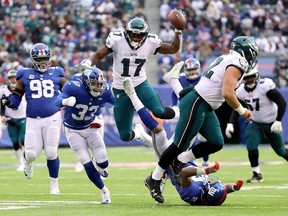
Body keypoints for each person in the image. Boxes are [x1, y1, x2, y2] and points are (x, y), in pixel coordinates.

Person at [144, 36, 259, 203]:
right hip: (198, 102)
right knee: (180, 144)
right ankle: (154, 179)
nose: (253, 56)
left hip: (206, 104)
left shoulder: (229, 58)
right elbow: (227, 92)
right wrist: (242, 111)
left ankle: (179, 162)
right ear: (246, 51)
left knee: (216, 142)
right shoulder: (237, 61)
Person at [122, 76, 243, 205]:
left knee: (158, 129)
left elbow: (184, 173)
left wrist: (206, 171)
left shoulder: (193, 193)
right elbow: (222, 190)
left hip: (170, 160)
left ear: (207, 191)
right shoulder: (209, 194)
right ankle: (173, 80)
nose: (211, 182)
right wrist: (234, 188)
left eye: (211, 185)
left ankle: (131, 94)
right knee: (193, 123)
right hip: (187, 157)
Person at [78, 17, 183, 147]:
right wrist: (88, 62)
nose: (136, 38)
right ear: (127, 32)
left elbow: (173, 49)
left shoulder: (151, 41)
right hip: (120, 89)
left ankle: (178, 111)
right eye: (133, 34)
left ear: (145, 35)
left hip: (140, 84)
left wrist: (178, 31)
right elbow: (99, 55)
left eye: (140, 35)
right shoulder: (117, 39)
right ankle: (139, 134)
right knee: (125, 135)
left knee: (159, 111)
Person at [1, 43, 66, 195]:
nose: (43, 61)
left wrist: (70, 99)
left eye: (45, 58)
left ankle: (54, 185)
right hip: (33, 119)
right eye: (40, 58)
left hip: (53, 117)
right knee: (30, 154)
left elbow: (67, 90)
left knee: (51, 152)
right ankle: (28, 163)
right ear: (33, 59)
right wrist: (8, 101)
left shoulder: (57, 73)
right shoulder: (24, 74)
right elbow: (16, 100)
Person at [55, 67, 114, 204]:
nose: (98, 87)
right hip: (72, 130)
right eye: (95, 84)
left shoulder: (105, 91)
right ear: (87, 83)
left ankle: (98, 163)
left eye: (100, 84)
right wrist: (65, 101)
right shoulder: (74, 87)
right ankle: (104, 191)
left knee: (103, 162)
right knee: (86, 164)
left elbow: (118, 102)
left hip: (89, 126)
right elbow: (58, 100)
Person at [225, 67, 288, 183]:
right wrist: (230, 123)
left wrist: (278, 120)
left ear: (256, 76)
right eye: (246, 77)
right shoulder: (240, 91)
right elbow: (236, 108)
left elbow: (282, 102)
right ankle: (257, 174)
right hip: (256, 122)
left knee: (281, 151)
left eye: (251, 77)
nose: (249, 80)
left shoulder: (265, 86)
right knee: (251, 144)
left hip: (272, 122)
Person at [169, 57, 209, 167]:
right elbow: (174, 93)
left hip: (202, 110)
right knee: (187, 136)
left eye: (194, 69)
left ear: (199, 69)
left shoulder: (204, 78)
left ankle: (205, 162)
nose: (192, 72)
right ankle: (190, 160)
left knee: (203, 138)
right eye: (189, 70)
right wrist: (174, 105)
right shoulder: (181, 79)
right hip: (186, 111)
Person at [0, 69, 26, 172]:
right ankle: (20, 163)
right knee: (15, 142)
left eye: (15, 78)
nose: (14, 80)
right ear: (8, 79)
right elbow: (1, 104)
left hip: (23, 117)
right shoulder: (3, 90)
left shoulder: (24, 87)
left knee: (24, 140)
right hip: (10, 119)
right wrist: (2, 115)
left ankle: (27, 162)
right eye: (12, 78)